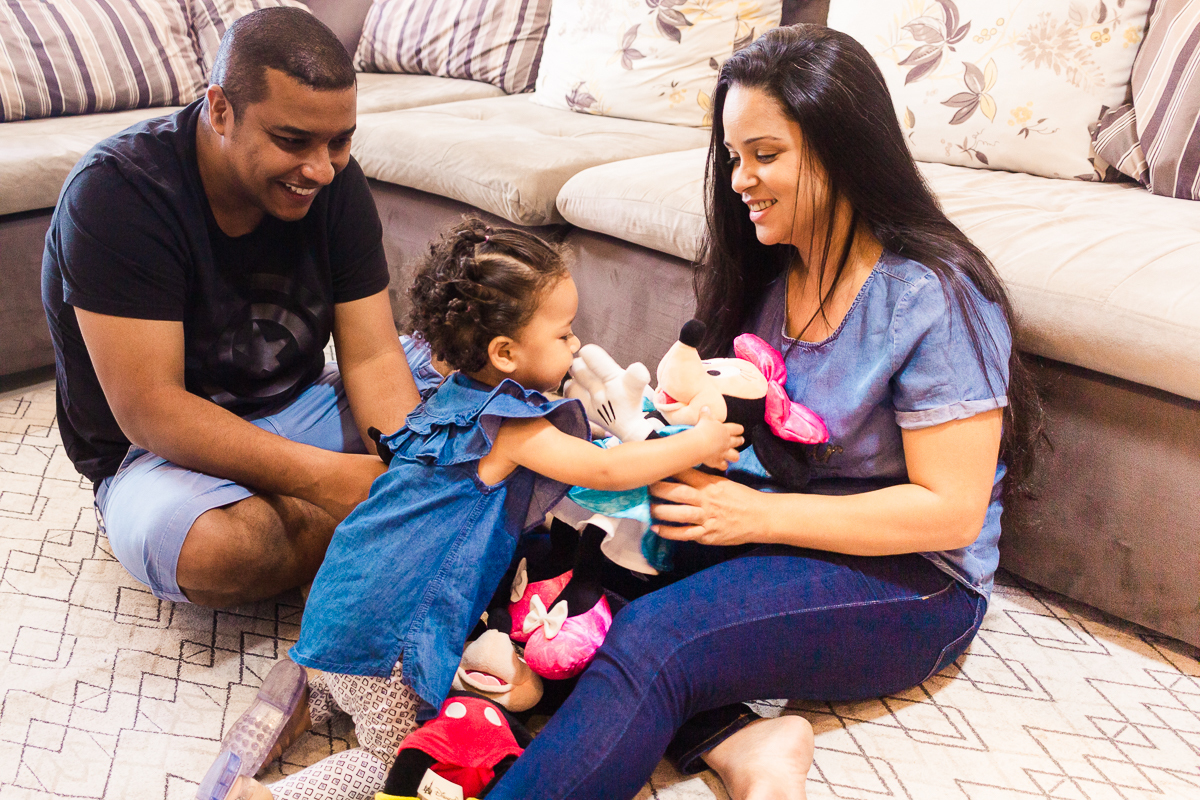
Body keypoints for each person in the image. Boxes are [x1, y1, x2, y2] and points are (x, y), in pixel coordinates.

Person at [481, 24, 1043, 800]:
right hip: (785, 519)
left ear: (844, 149)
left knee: (654, 640)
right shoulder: (769, 274)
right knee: (555, 570)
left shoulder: (933, 297)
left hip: (918, 582)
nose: (741, 178)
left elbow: (949, 513)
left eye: (766, 155)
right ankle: (742, 740)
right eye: (735, 156)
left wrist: (750, 518)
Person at [199, 220, 744, 800]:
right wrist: (696, 444)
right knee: (393, 760)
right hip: (386, 637)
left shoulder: (443, 407)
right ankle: (266, 796)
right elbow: (604, 470)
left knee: (347, 679)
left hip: (338, 602)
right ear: (505, 353)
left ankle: (318, 688)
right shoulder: (510, 426)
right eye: (564, 335)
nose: (578, 346)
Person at [40, 8, 420, 609]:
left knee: (484, 392)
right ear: (221, 110)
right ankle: (390, 524)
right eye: (292, 141)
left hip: (298, 406)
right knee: (220, 550)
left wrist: (409, 462)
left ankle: (378, 514)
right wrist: (330, 480)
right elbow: (152, 410)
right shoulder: (118, 192)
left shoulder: (333, 181)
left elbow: (373, 354)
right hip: (158, 454)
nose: (320, 169)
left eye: (339, 141)